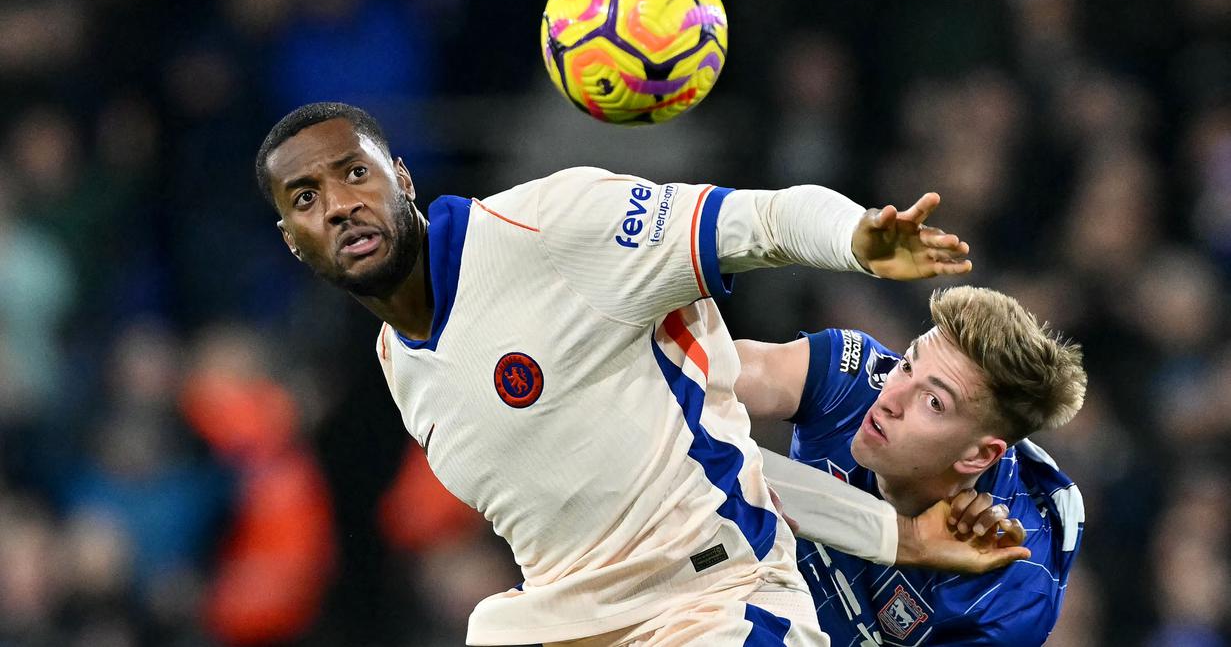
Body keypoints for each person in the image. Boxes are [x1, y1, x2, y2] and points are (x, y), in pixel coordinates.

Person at [254, 101, 1023, 646]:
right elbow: (699, 469)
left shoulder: (552, 229)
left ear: (403, 178)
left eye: (355, 173)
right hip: (559, 624)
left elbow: (761, 220)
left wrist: (853, 238)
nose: (341, 205)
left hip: (713, 610)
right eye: (307, 198)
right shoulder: (400, 364)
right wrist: (897, 537)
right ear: (293, 240)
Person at [735, 286, 1087, 645]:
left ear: (978, 456)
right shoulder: (853, 381)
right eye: (907, 365)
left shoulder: (1004, 594)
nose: (890, 398)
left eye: (933, 402)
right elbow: (693, 378)